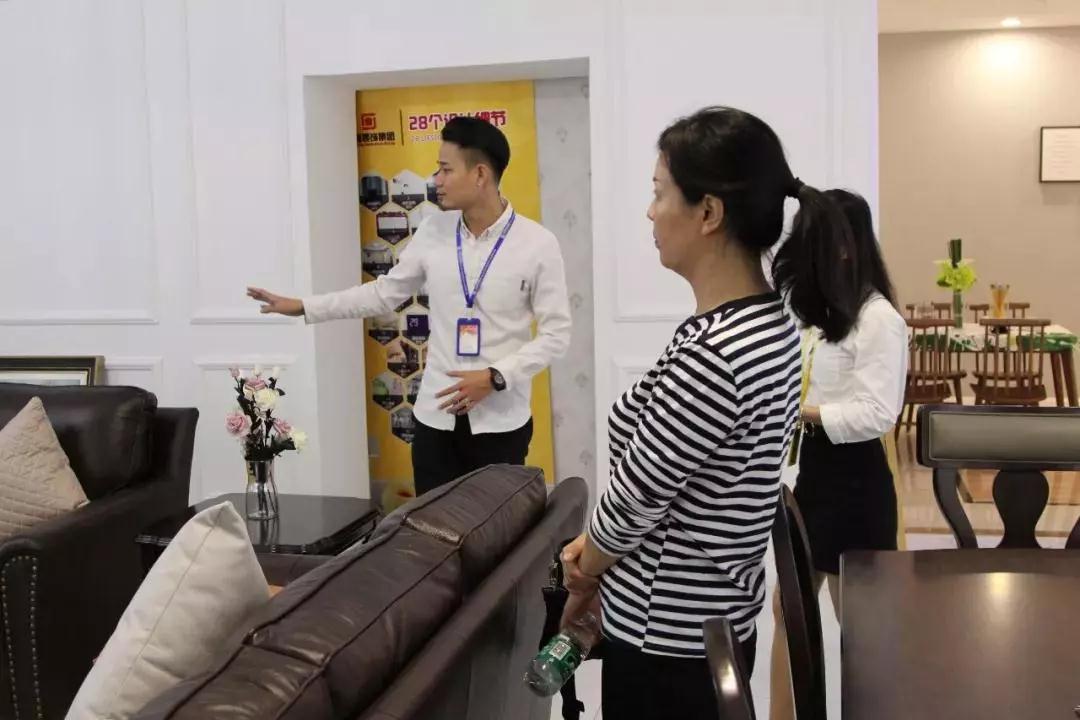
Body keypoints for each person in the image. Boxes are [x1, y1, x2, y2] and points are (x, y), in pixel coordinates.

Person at [558, 107, 864, 720]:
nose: (650, 212)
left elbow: (637, 500)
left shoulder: (715, 354)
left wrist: (584, 568)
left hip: (667, 638)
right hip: (714, 620)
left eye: (659, 193)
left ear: (708, 213)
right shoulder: (766, 323)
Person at [248, 116, 571, 495]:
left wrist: (496, 376)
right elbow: (383, 293)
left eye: (446, 169)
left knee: (497, 526)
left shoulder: (537, 244)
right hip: (435, 422)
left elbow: (556, 335)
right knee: (429, 526)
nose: (437, 179)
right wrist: (305, 306)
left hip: (500, 423)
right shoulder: (434, 231)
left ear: (480, 174)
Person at [767, 189, 908, 720]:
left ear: (845, 247)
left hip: (856, 486)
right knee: (789, 611)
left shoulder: (879, 320)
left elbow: (878, 412)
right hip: (816, 478)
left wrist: (804, 413)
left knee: (861, 627)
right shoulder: (823, 318)